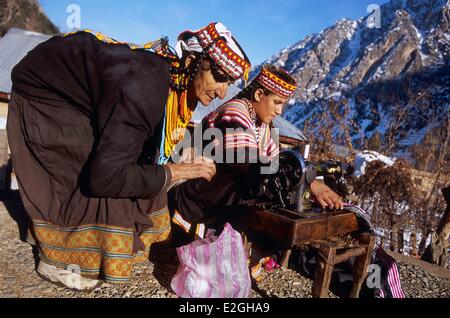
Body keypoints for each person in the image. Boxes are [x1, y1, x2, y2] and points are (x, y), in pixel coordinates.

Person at [7, 22, 250, 290]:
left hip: (69, 89)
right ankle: (58, 259)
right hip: (43, 95)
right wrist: (177, 172)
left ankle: (56, 233)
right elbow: (105, 177)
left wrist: (172, 162)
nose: (222, 93)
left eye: (229, 82)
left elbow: (147, 140)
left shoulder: (172, 79)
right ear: (192, 61)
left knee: (137, 160)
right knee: (100, 171)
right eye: (219, 78)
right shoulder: (145, 86)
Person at [169, 64, 344, 240]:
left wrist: (310, 179)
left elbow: (280, 159)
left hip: (212, 201)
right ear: (259, 95)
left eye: (282, 105)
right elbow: (249, 163)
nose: (279, 111)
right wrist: (309, 182)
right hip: (192, 199)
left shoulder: (265, 126)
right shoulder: (234, 112)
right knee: (255, 179)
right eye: (277, 103)